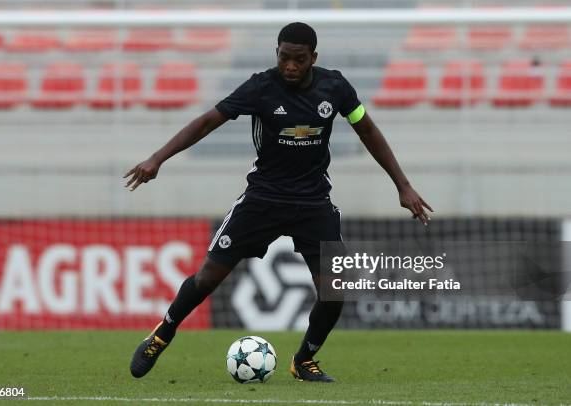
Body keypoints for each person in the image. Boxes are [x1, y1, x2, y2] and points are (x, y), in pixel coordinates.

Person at [125, 22, 432, 382]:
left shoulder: (336, 87)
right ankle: (162, 334)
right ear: (277, 53)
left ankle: (304, 360)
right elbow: (208, 121)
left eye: (298, 59)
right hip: (262, 200)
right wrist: (158, 158)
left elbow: (366, 129)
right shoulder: (261, 87)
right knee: (208, 276)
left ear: (313, 58)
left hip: (314, 202)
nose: (289, 66)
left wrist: (403, 185)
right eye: (284, 57)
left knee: (335, 292)